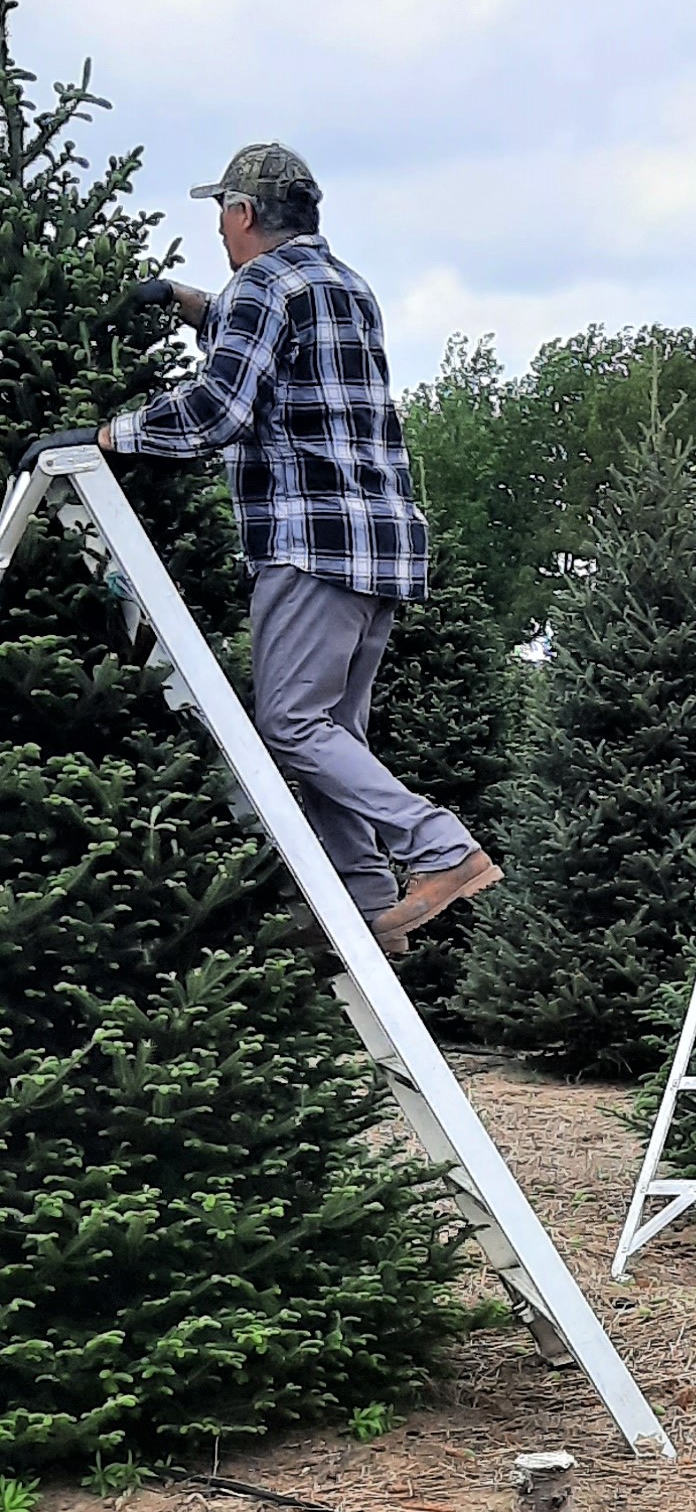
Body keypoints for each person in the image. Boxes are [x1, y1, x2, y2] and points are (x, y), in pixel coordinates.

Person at [98, 142, 501, 957]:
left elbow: (218, 406)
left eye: (221, 212)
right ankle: (365, 901)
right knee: (332, 733)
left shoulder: (262, 285)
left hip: (307, 541)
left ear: (243, 214)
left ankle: (442, 848)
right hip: (379, 547)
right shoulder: (342, 284)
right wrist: (181, 301)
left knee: (289, 724)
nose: (217, 228)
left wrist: (113, 433)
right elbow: (272, 336)